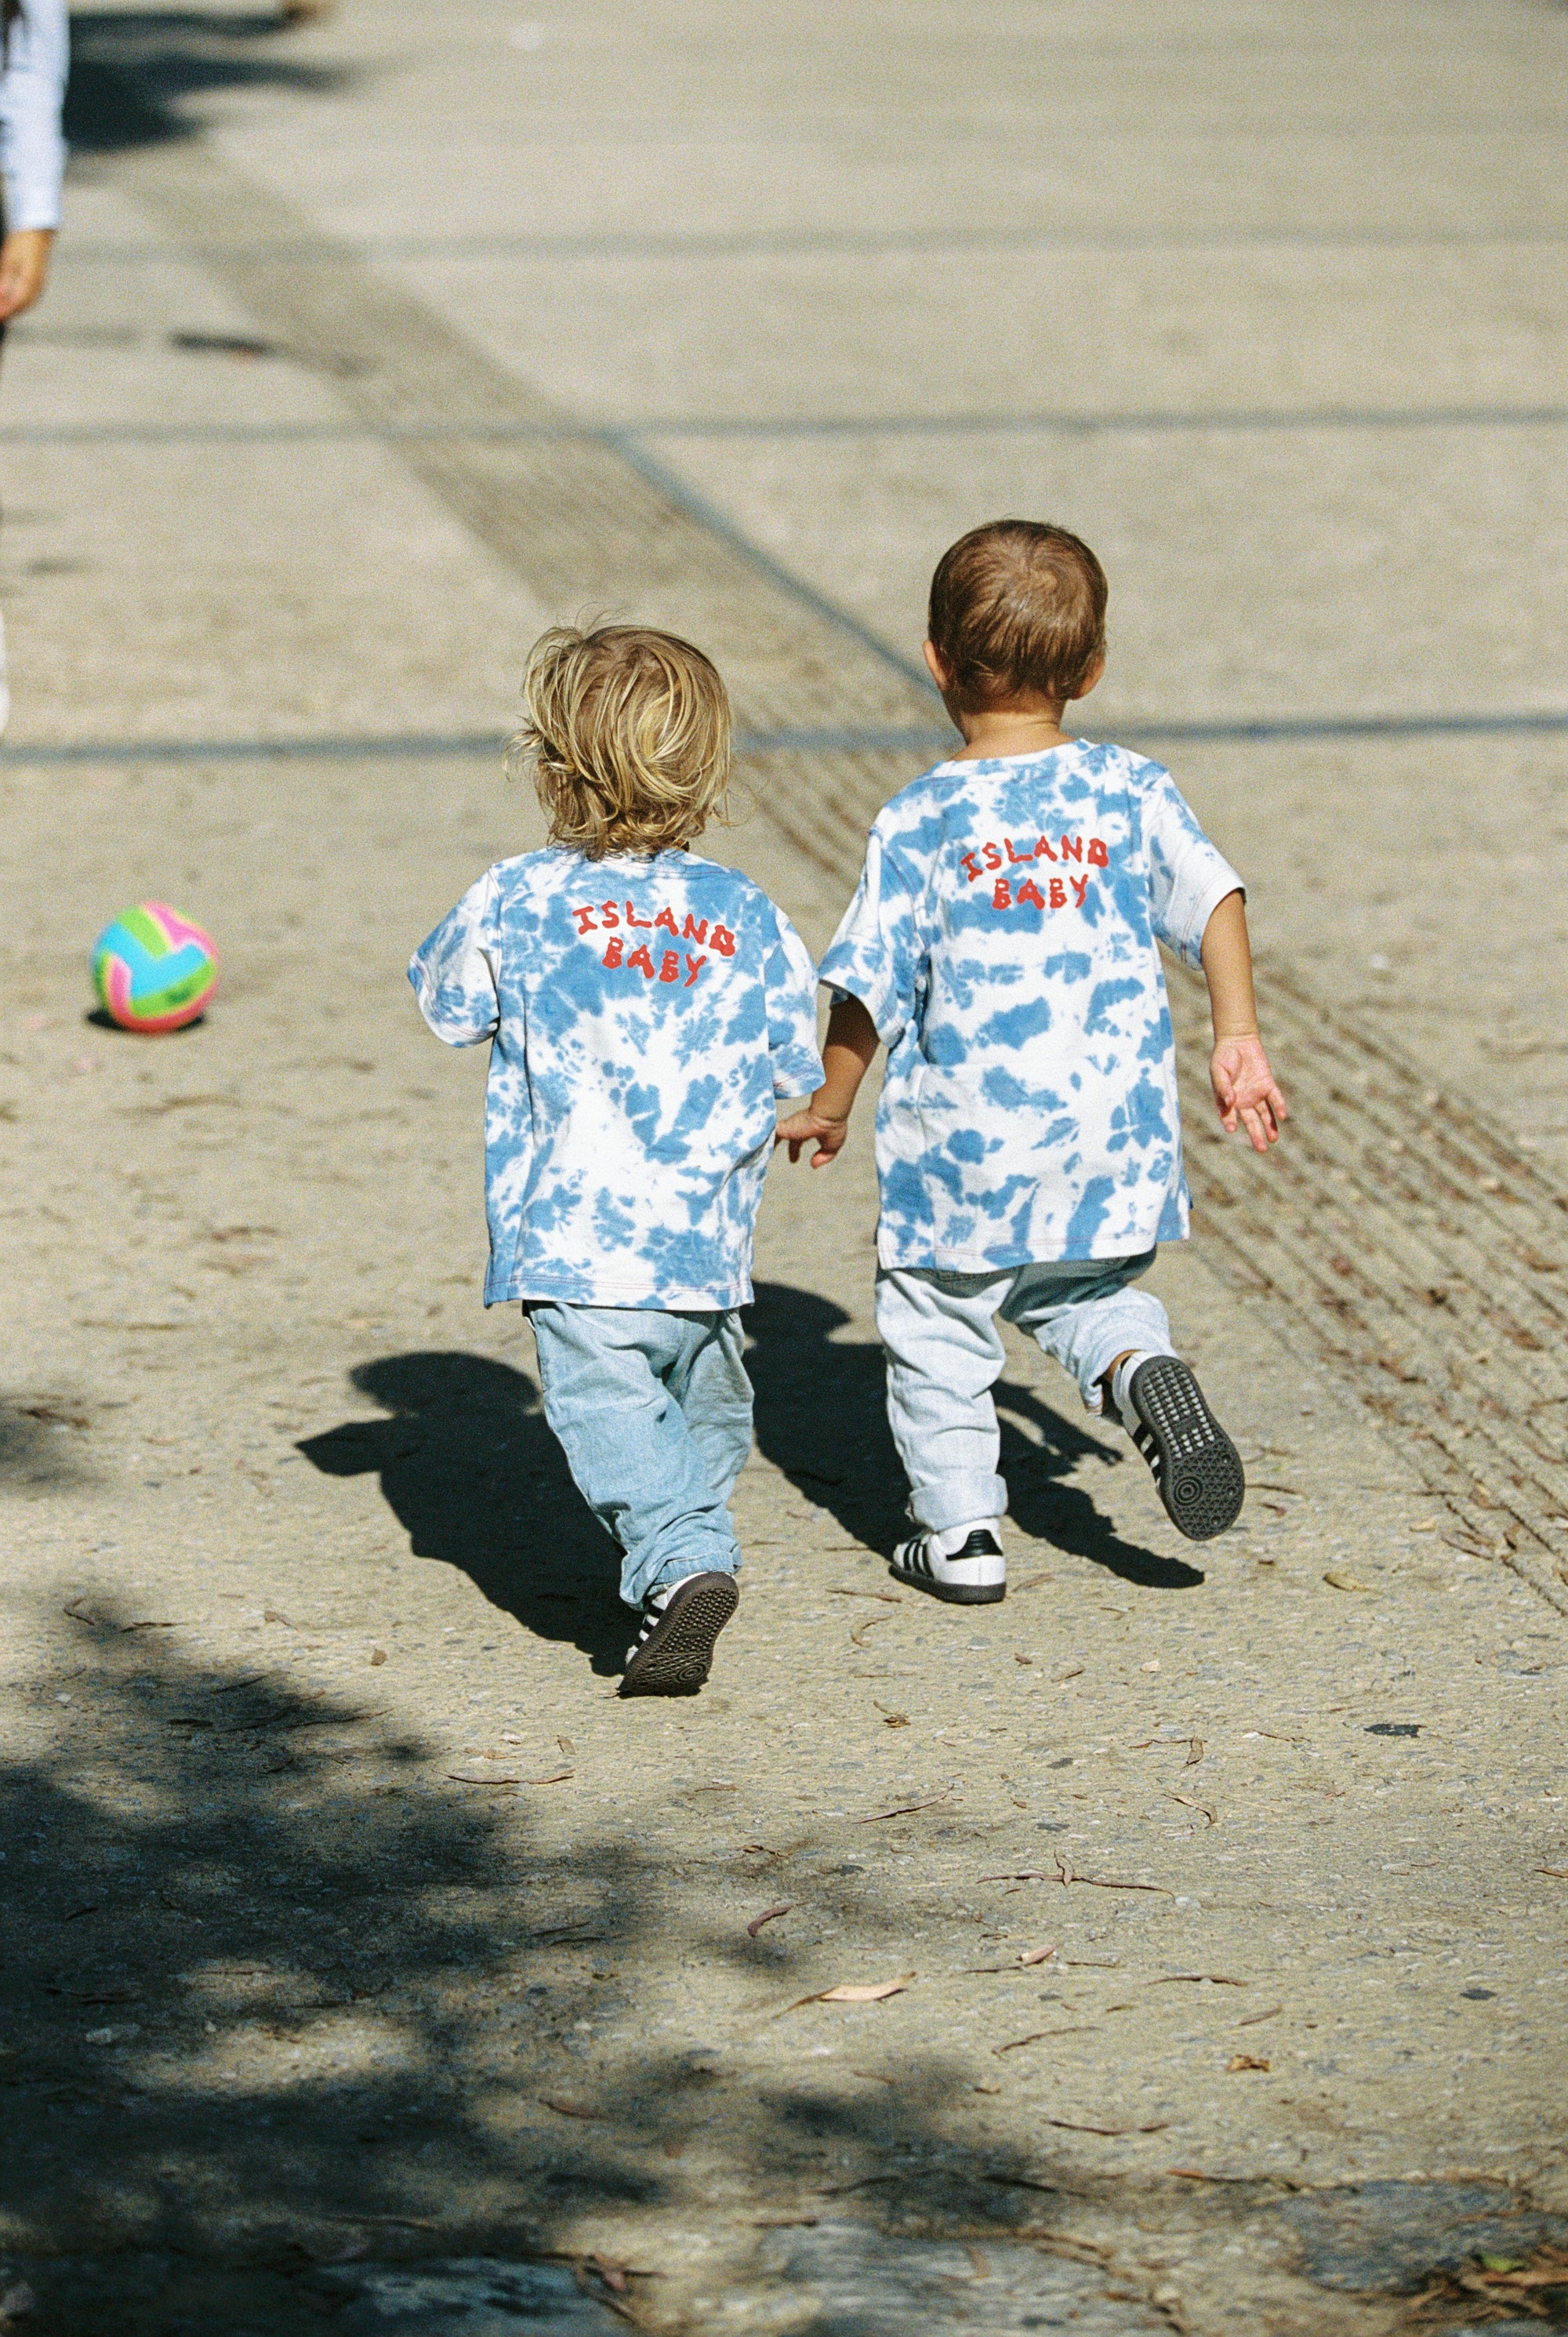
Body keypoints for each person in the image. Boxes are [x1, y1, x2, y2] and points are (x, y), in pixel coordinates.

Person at [777, 520, 1287, 1606]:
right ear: (1092, 670)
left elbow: (865, 979)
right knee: (1082, 1289)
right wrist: (1235, 1032)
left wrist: (831, 1100)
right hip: (1105, 1135)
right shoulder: (1130, 790)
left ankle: (961, 1532)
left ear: (935, 661)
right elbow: (1216, 899)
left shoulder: (919, 818)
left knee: (938, 1321)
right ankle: (1138, 1368)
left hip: (962, 1150)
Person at [409, 626, 823, 1693]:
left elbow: (446, 1002)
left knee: (608, 1413)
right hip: (706, 1246)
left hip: (577, 1238)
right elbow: (796, 1059)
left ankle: (681, 1562)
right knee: (699, 1419)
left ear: (551, 769)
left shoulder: (515, 897)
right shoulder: (751, 915)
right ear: (709, 769)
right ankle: (678, 1560)